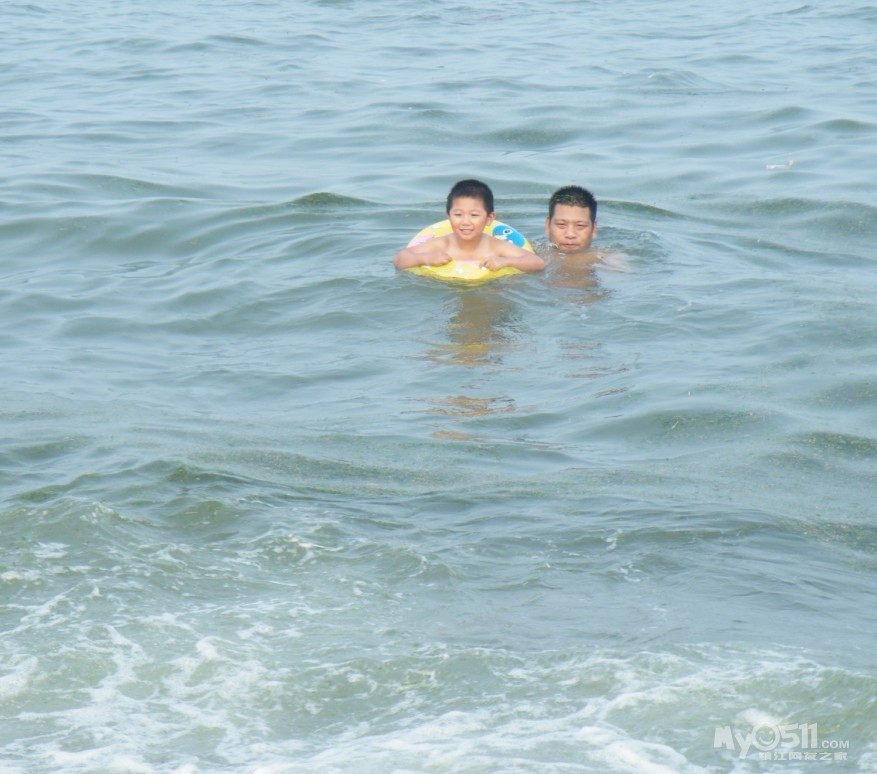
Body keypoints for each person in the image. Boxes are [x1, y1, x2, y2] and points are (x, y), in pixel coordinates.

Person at [393, 179, 545, 273]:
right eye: (458, 214)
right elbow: (400, 258)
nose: (465, 222)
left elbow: (537, 263)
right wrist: (424, 258)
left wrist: (504, 261)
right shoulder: (442, 245)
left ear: (489, 218)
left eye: (474, 215)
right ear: (448, 216)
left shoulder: (495, 246)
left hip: (490, 289)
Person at [545, 185, 598, 254]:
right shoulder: (532, 255)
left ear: (594, 229)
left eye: (580, 225)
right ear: (548, 225)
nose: (570, 234)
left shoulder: (608, 259)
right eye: (561, 224)